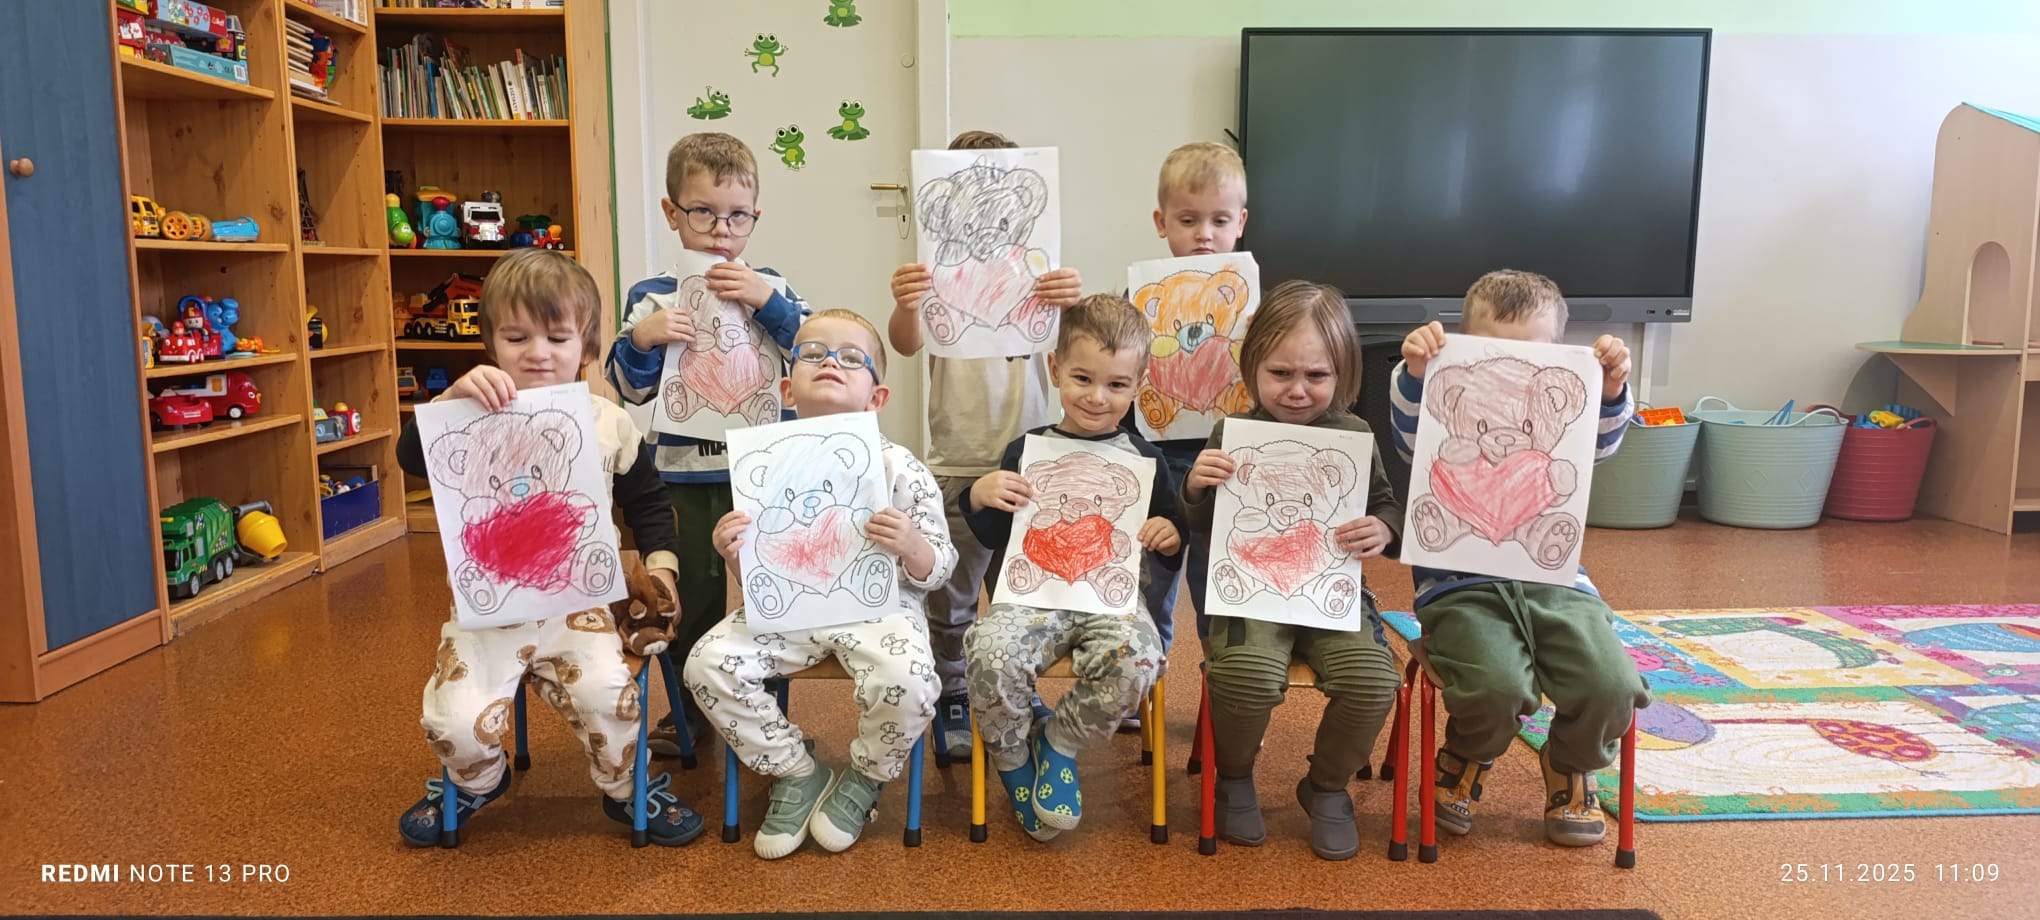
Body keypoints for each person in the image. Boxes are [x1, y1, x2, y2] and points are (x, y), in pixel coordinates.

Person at [396, 248, 703, 848]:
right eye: (517, 337)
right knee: (451, 720)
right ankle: (479, 780)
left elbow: (648, 504)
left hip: (579, 608)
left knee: (611, 697)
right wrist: (449, 398)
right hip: (489, 613)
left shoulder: (609, 421)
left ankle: (626, 787)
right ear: (491, 343)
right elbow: (411, 459)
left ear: (586, 347)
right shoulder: (464, 412)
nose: (538, 352)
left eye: (558, 338)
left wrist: (661, 568)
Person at [1389, 268, 1647, 848]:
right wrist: (1417, 373)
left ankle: (1570, 763)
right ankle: (1468, 754)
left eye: (1529, 353)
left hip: (1558, 583)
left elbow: (1598, 445)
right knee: (1496, 687)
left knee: (1612, 684)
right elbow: (1409, 437)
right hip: (1459, 584)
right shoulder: (1450, 407)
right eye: (1493, 350)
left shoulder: (1552, 412)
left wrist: (1609, 391)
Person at [684, 309, 952, 859]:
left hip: (881, 610)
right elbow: (759, 583)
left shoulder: (899, 466)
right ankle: (796, 770)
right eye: (812, 354)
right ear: (788, 388)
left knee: (909, 677)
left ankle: (866, 776)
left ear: (876, 397)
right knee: (705, 664)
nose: (831, 362)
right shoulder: (762, 465)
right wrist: (734, 554)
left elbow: (940, 566)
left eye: (851, 358)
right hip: (792, 609)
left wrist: (912, 544)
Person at [1179, 280, 1404, 861]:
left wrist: (1383, 529)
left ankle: (1326, 786)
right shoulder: (1232, 434)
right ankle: (1233, 777)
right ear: (1252, 368)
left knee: (1373, 682)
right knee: (1245, 675)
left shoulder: (1354, 436)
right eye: (1280, 373)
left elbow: (1384, 504)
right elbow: (1201, 525)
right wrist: (1196, 487)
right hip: (1253, 592)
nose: (1298, 390)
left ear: (1343, 373)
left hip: (1330, 591)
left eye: (1316, 375)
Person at [605, 132, 808, 756]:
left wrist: (769, 304)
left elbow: (813, 353)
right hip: (681, 474)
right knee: (690, 594)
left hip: (762, 473)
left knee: (770, 592)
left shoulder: (772, 284)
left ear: (755, 217)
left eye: (737, 216)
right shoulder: (652, 296)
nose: (721, 230)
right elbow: (629, 389)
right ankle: (690, 710)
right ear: (672, 213)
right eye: (703, 213)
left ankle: (765, 708)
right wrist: (643, 339)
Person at [888, 129, 1084, 759]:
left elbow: (1078, 352)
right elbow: (906, 344)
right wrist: (907, 304)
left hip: (1030, 461)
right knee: (952, 595)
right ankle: (950, 691)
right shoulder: (935, 279)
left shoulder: (1037, 275)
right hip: (956, 463)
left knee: (1022, 594)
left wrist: (1070, 302)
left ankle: (1014, 689)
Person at [959, 294, 1179, 839]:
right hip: (1032, 598)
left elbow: (1173, 535)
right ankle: (1013, 757)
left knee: (1140, 658)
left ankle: (1058, 741)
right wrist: (979, 497)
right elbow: (997, 538)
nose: (1097, 397)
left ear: (1139, 384)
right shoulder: (1025, 450)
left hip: (1111, 601)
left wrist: (1170, 534)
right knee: (988, 652)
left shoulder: (1147, 460)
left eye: (1117, 384)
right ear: (1055, 369)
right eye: (1083, 378)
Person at [1124, 141, 1252, 655]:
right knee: (1149, 574)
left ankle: (1220, 673)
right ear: (1162, 222)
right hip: (1152, 457)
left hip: (1221, 459)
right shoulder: (1138, 296)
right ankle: (1145, 667)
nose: (1204, 234)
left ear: (1241, 222)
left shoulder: (1251, 302)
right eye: (1188, 220)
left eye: (1220, 220)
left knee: (1213, 576)